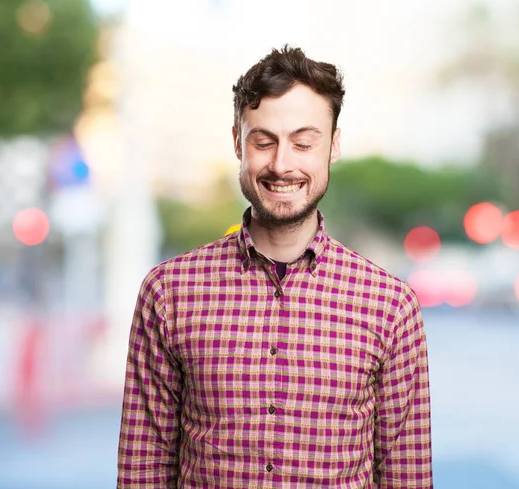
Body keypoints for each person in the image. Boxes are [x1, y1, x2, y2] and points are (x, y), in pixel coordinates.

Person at [117, 45, 433, 489]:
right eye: (263, 142)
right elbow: (141, 471)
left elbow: (408, 478)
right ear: (236, 143)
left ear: (333, 146)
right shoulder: (168, 293)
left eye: (304, 143)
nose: (282, 164)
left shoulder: (390, 305)